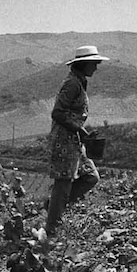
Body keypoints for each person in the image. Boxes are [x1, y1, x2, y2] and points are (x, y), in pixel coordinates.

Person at [46, 45, 109, 235]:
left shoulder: (78, 82)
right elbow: (57, 112)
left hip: (73, 140)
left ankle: (54, 207)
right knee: (63, 182)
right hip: (64, 140)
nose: (96, 68)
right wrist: (79, 129)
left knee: (90, 176)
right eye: (93, 64)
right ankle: (52, 228)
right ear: (83, 64)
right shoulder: (73, 84)